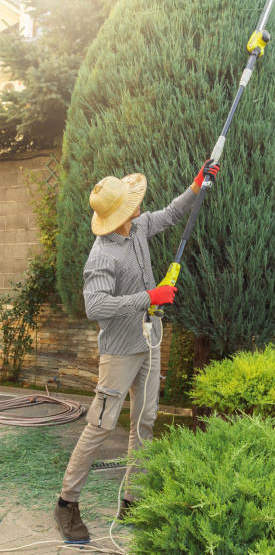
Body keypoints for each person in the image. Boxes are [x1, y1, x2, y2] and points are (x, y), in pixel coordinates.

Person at [54, 159, 220, 543]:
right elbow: (95, 307)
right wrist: (149, 297)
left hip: (151, 341)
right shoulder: (102, 256)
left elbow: (172, 214)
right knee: (100, 425)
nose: (139, 208)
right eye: (132, 205)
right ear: (118, 215)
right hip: (119, 353)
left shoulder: (139, 228)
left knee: (145, 422)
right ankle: (67, 502)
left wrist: (196, 185)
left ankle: (132, 499)